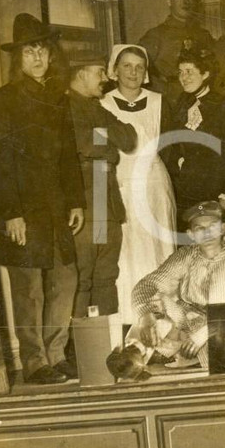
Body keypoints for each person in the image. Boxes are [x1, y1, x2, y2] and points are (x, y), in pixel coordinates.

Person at [0, 13, 85, 384]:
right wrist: (11, 213)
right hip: (23, 211)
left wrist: (76, 201)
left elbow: (69, 154)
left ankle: (56, 355)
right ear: (18, 59)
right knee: (29, 289)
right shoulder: (3, 100)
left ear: (51, 54)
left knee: (65, 280)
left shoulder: (58, 97)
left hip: (56, 209)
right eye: (29, 52)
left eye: (42, 50)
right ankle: (35, 362)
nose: (38, 58)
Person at [123, 201, 225, 370]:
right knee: (157, 301)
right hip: (187, 320)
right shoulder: (186, 255)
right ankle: (134, 354)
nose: (207, 233)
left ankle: (169, 354)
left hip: (220, 327)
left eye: (212, 226)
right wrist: (146, 315)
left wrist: (202, 335)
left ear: (223, 229)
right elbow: (148, 285)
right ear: (191, 234)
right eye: (200, 229)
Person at [99, 45, 178, 324]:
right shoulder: (102, 103)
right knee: (127, 252)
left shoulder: (159, 102)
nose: (133, 72)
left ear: (146, 72)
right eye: (127, 66)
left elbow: (169, 146)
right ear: (115, 70)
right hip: (120, 185)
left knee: (157, 249)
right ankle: (129, 320)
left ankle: (164, 321)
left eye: (139, 67)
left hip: (154, 186)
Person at [65, 50, 138, 319]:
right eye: (99, 72)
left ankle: (106, 340)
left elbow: (128, 138)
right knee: (83, 278)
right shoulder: (64, 106)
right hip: (87, 203)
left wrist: (100, 140)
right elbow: (83, 144)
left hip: (106, 202)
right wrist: (107, 144)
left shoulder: (95, 107)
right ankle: (82, 342)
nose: (105, 79)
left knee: (106, 277)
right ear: (81, 74)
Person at [160, 47, 225, 233]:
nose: (184, 77)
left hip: (213, 186)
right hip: (184, 187)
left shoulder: (223, 106)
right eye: (181, 72)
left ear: (205, 74)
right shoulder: (181, 102)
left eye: (189, 71)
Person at [139, 0, 216, 104]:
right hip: (171, 103)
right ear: (169, 1)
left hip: (203, 101)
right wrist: (167, 92)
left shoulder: (203, 35)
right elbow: (140, 68)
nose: (186, 2)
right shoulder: (156, 35)